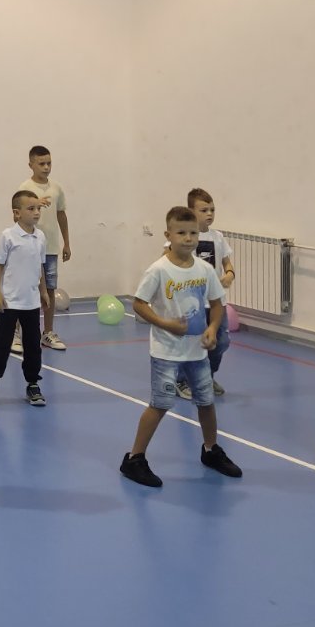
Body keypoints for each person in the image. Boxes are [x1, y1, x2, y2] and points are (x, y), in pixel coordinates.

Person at [118, 207, 243, 488]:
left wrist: (212, 328)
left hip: (197, 352)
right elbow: (139, 304)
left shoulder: (205, 269)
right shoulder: (158, 270)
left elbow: (217, 304)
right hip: (166, 352)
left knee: (206, 402)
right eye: (182, 233)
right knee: (160, 405)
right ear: (168, 235)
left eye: (193, 233)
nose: (188, 239)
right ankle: (134, 459)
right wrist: (165, 323)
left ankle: (211, 450)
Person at [0, 190, 51, 409]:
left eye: (38, 208)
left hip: (31, 303)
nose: (36, 212)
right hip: (10, 303)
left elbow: (40, 266)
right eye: (31, 209)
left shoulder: (40, 237)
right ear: (17, 213)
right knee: (2, 344)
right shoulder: (8, 236)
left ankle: (33, 384)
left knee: (33, 346)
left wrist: (43, 291)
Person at [180, 188, 235, 398]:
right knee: (191, 343)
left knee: (220, 342)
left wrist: (229, 274)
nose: (209, 214)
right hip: (193, 303)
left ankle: (206, 377)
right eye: (204, 210)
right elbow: (168, 258)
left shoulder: (217, 237)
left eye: (212, 210)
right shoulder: (185, 236)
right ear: (191, 212)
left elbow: (227, 263)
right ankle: (182, 380)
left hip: (216, 302)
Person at [18, 145, 71, 351]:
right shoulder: (25, 188)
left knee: (49, 289)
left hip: (50, 249)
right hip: (29, 249)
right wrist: (34, 204)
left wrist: (66, 243)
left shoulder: (56, 188)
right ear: (31, 164)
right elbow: (17, 216)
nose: (46, 167)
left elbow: (61, 215)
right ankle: (16, 332)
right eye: (41, 163)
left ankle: (47, 332)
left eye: (49, 163)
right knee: (25, 288)